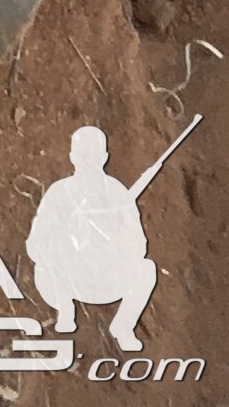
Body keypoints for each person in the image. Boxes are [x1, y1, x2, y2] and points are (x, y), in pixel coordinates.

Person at [30, 127, 158, 352]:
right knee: (47, 262)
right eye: (83, 155)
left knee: (147, 269)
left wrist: (116, 244)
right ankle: (65, 311)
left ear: (104, 157)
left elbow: (139, 245)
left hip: (107, 279)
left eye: (94, 155)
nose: (88, 161)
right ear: (72, 157)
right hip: (66, 282)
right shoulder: (58, 192)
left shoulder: (118, 194)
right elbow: (35, 243)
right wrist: (62, 246)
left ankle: (124, 327)